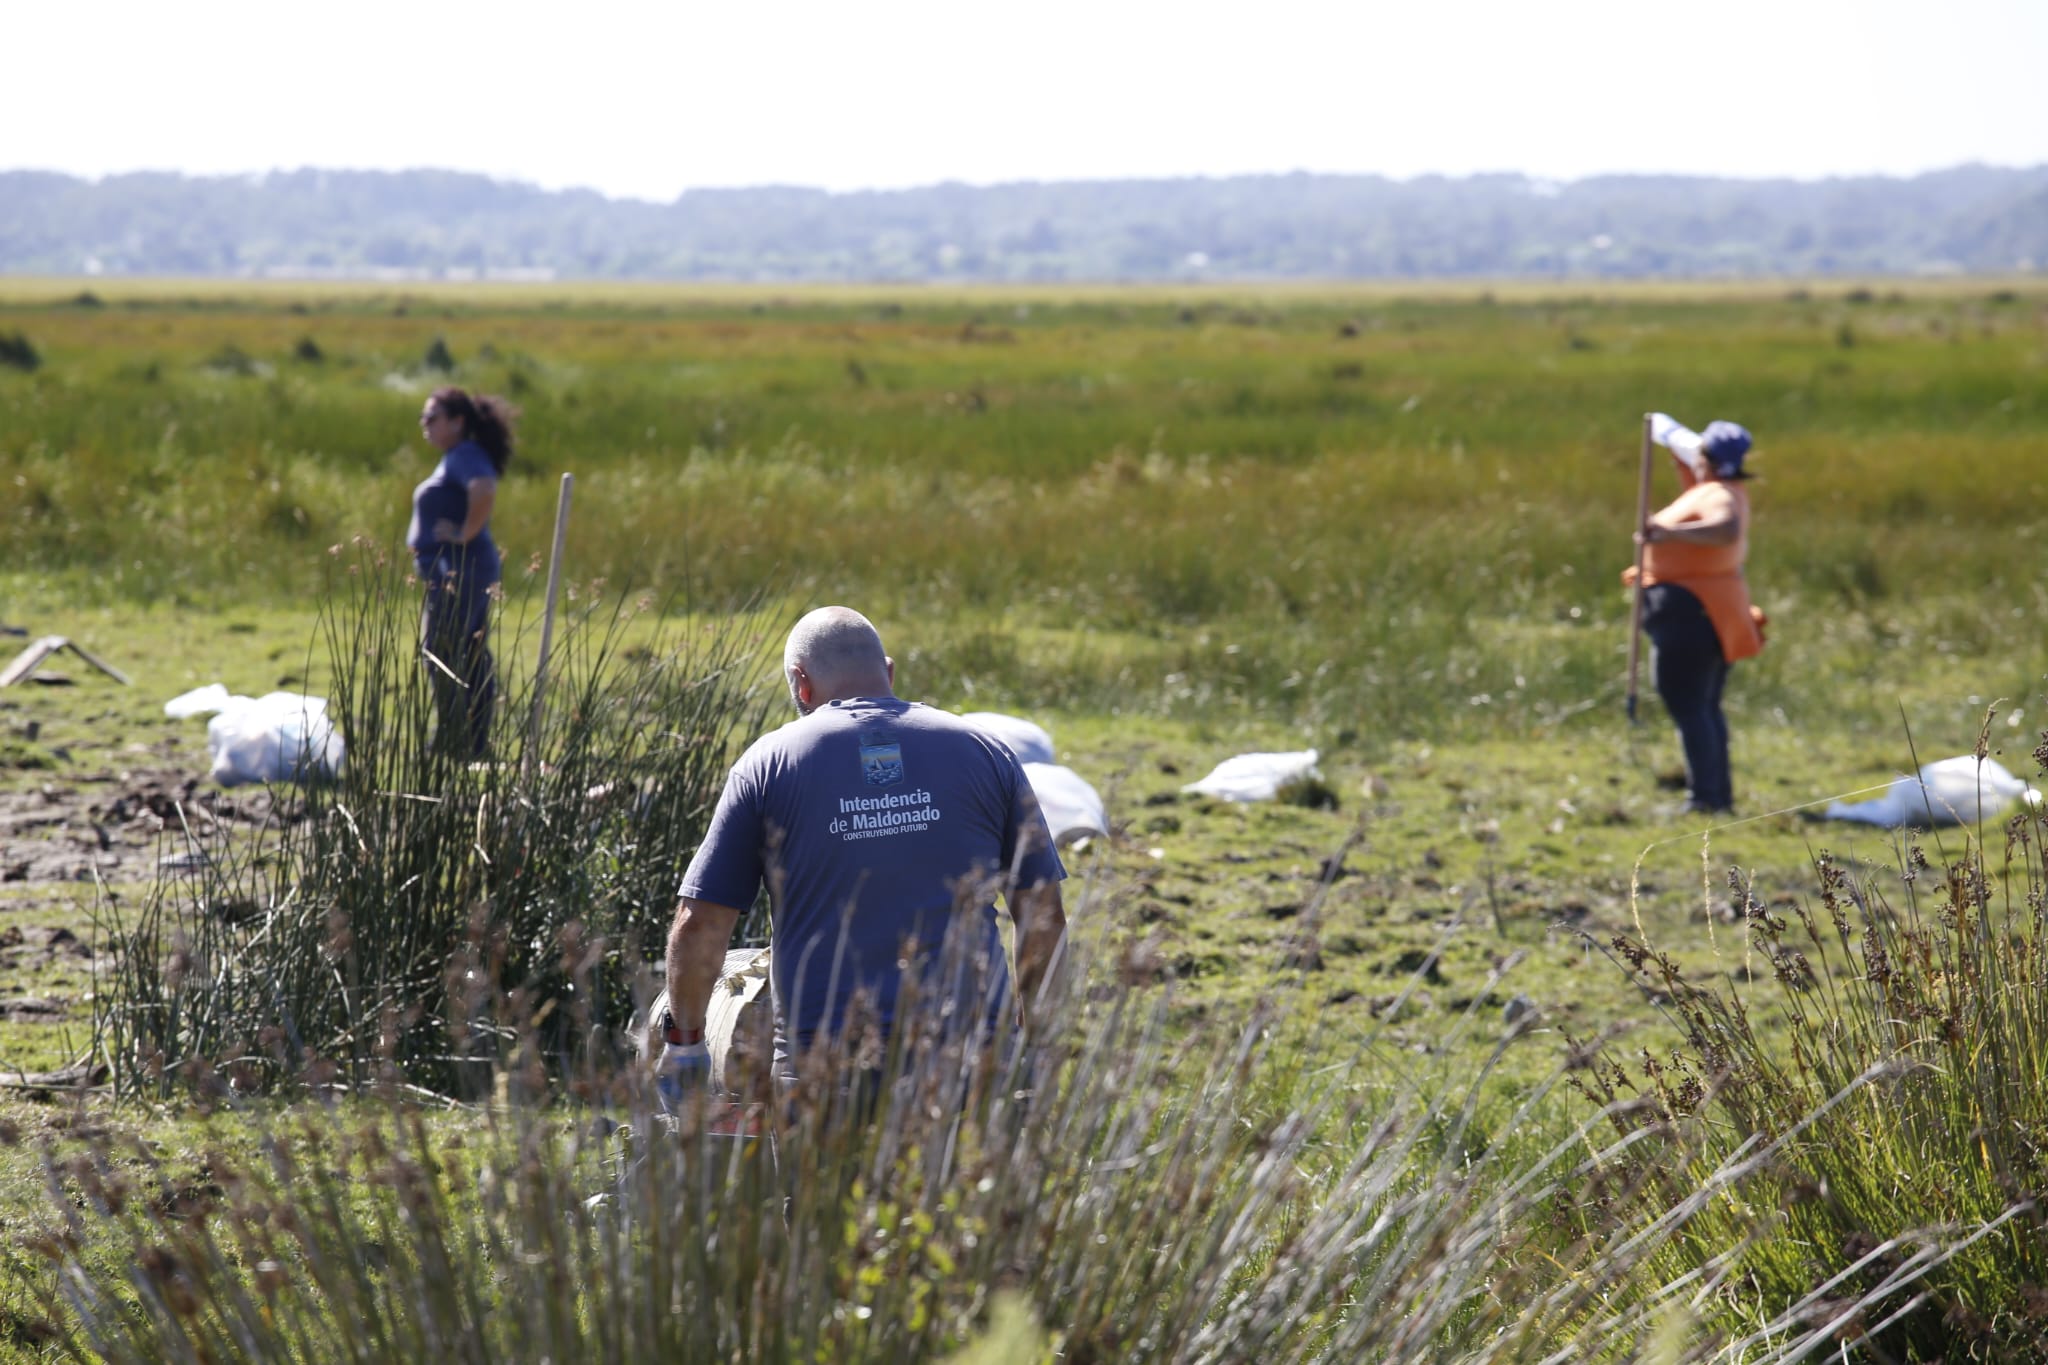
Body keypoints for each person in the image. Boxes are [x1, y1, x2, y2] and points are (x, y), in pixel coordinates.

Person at [654, 606, 1067, 1109]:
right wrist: (1034, 1041)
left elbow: (702, 925)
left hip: (825, 1071)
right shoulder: (985, 751)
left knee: (824, 1192)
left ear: (801, 685)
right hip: (971, 1059)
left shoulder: (768, 765)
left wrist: (687, 1045)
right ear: (888, 672)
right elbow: (1042, 915)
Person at [1625, 414, 1767, 814]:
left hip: (1693, 611)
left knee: (1688, 702)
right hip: (1706, 609)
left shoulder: (1719, 494)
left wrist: (1669, 533)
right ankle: (1714, 794)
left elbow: (1726, 530)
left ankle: (1705, 798)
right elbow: (1682, 444)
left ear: (1707, 456)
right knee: (1703, 706)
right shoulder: (1717, 485)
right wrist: (1662, 429)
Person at [408, 387, 512, 760]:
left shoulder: (464, 455)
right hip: (460, 570)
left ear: (457, 422)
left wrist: (463, 533)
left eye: (432, 417)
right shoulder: (456, 456)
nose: (425, 424)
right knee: (467, 652)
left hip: (460, 571)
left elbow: (483, 489)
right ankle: (470, 741)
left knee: (443, 652)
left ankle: (457, 740)